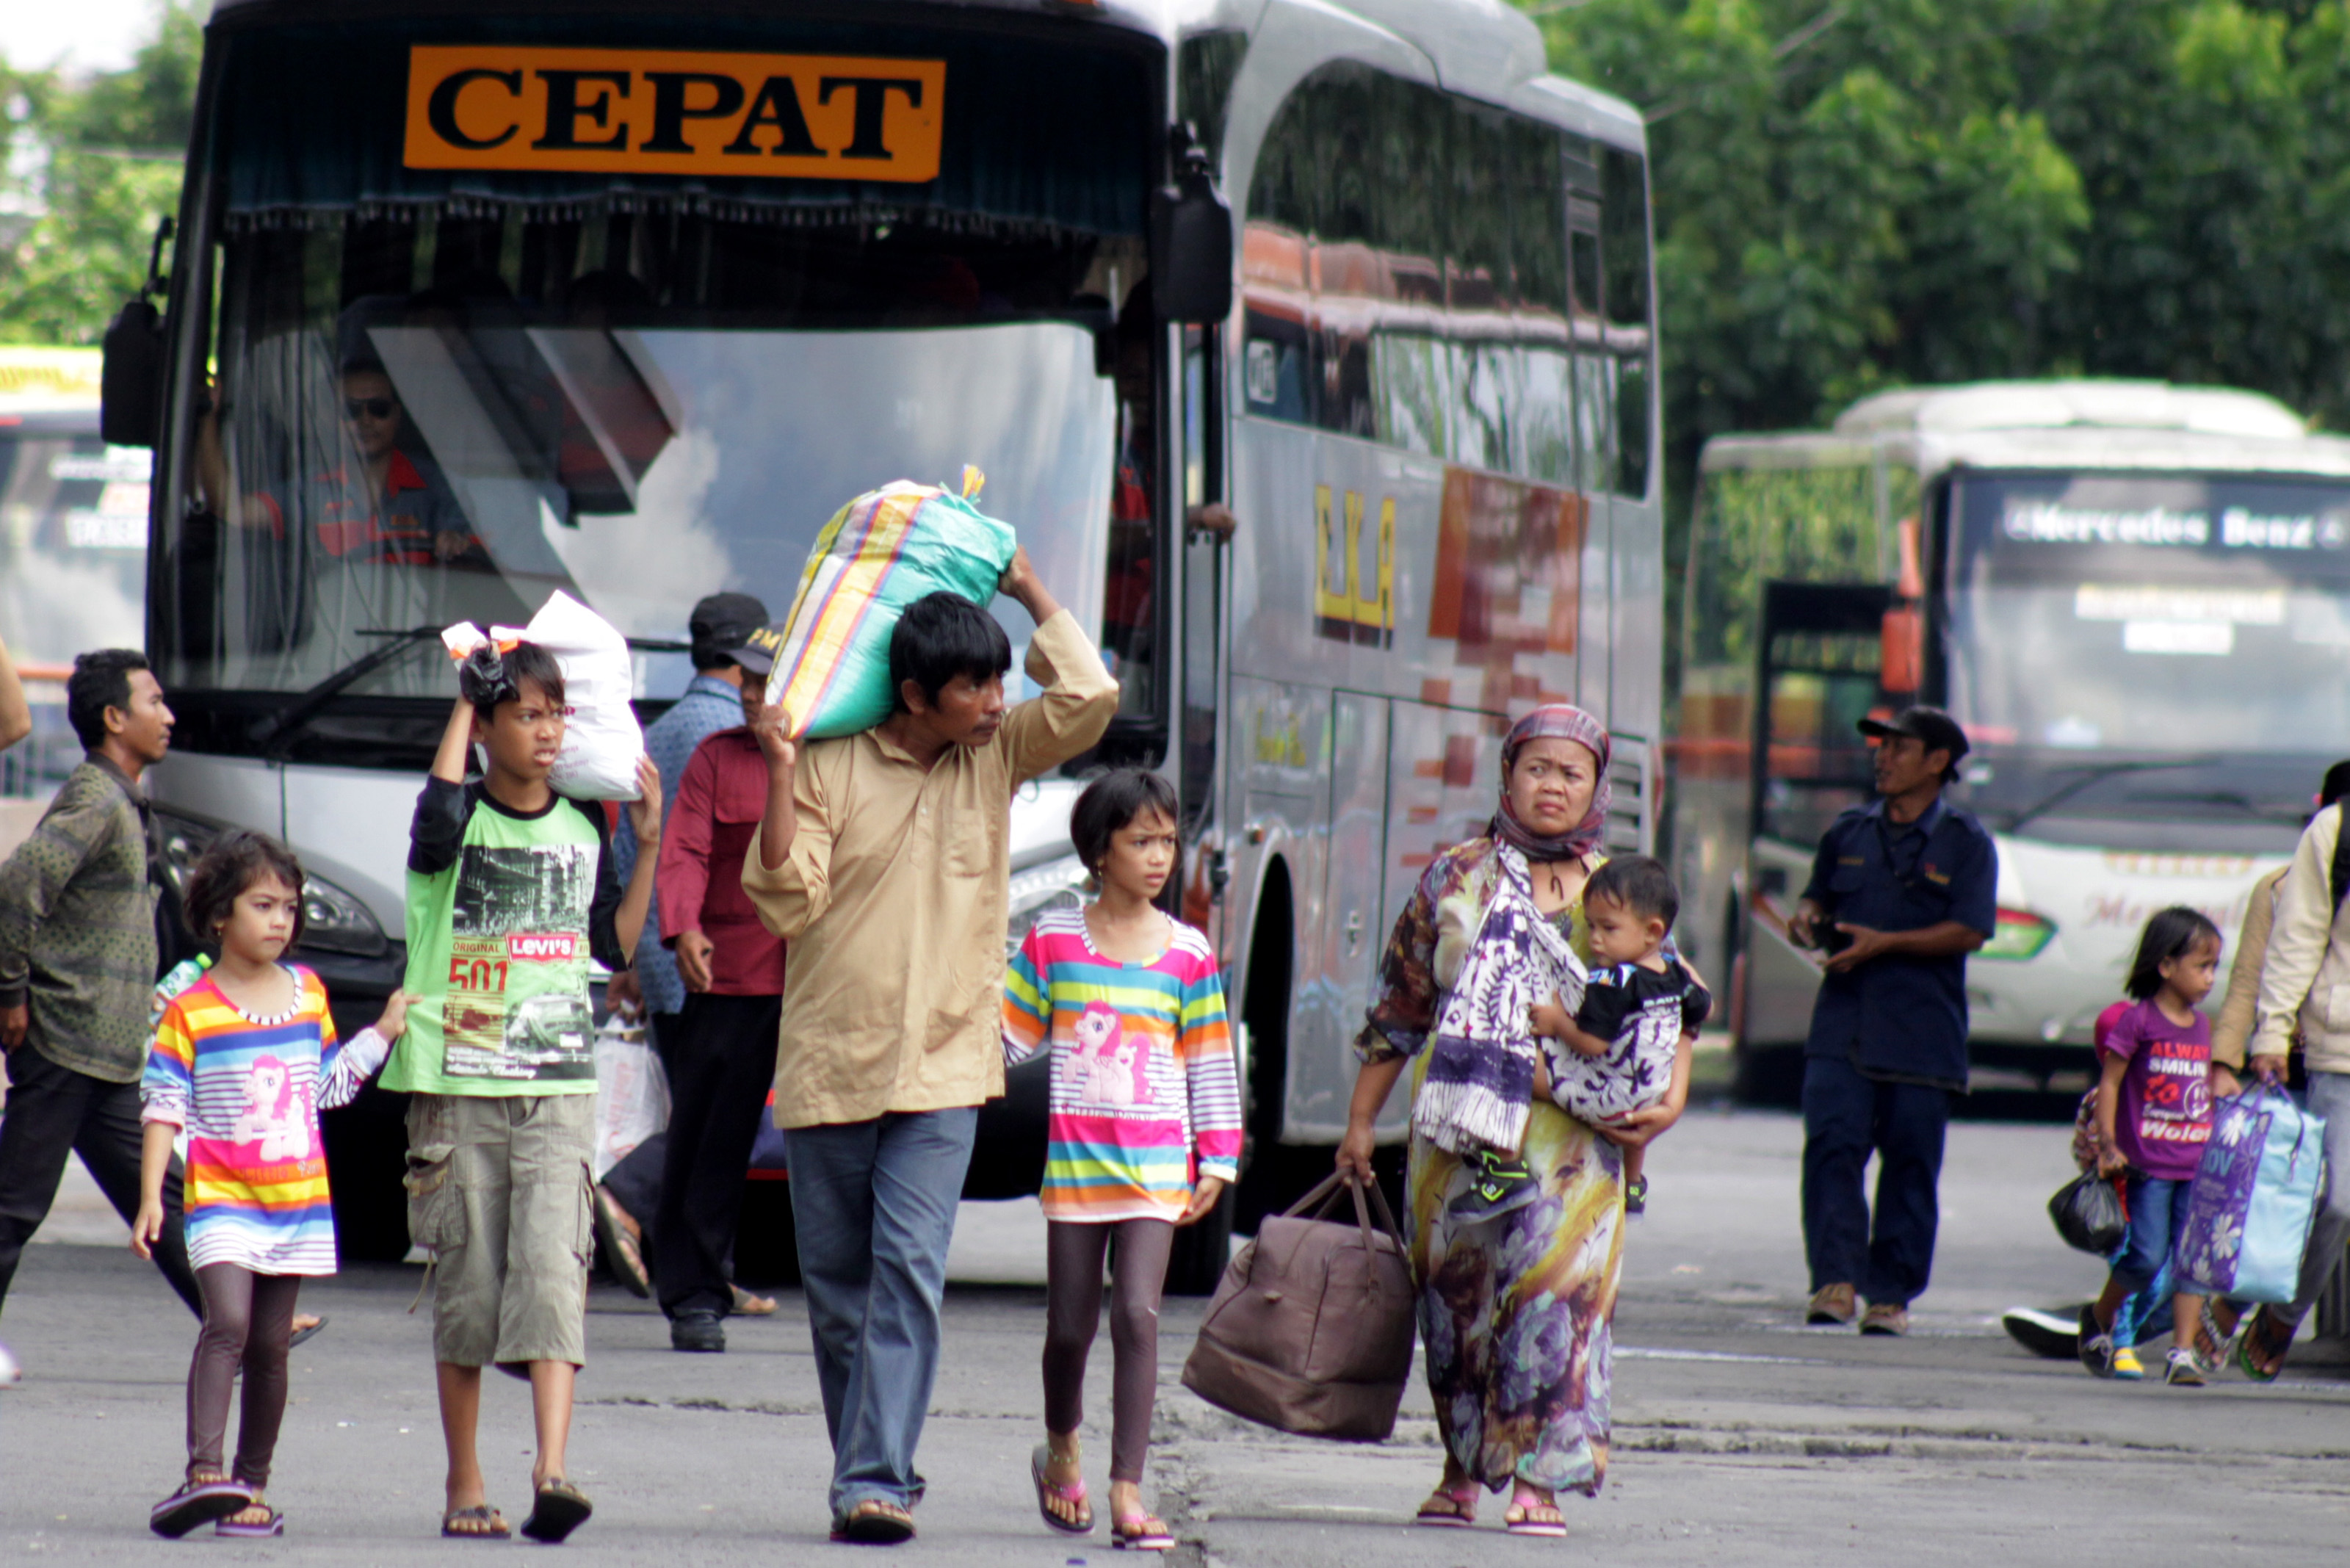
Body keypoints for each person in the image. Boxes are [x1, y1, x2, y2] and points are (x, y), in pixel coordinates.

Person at [742, 552, 1118, 1544]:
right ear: (914, 694)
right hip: (830, 1062)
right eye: (976, 685)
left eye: (1001, 681)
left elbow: (1088, 697)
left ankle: (870, 1479)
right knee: (837, 1293)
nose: (1000, 701)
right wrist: (781, 773)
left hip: (949, 1065)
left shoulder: (993, 755)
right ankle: (876, 1461)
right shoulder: (828, 763)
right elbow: (785, 894)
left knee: (908, 1265)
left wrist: (1032, 590)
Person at [1340, 704, 1692, 1538]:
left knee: (1554, 1297)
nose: (1552, 786)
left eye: (1572, 773)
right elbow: (1400, 1007)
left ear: (1595, 786)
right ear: (1506, 774)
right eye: (1537, 767)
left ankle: (1538, 1473)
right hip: (1459, 1135)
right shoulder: (1454, 876)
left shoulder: (1621, 886)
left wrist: (1667, 1103)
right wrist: (1359, 1121)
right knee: (1455, 1304)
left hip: (1573, 1139)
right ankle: (1461, 1466)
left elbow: (1678, 1008)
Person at [384, 637, 662, 1543]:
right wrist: (469, 695)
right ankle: (464, 1479)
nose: (547, 733)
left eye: (556, 715)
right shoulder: (454, 824)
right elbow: (433, 813)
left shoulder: (585, 824)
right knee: (466, 1286)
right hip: (457, 1085)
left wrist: (649, 841)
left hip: (556, 1087)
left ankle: (551, 1469)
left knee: (553, 1275)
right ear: (492, 725)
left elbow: (613, 943)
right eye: (528, 714)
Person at [133, 831, 411, 1538]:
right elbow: (163, 1103)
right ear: (220, 914)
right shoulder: (191, 1007)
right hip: (220, 1199)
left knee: (270, 1347)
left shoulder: (308, 993)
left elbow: (327, 1087)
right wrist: (146, 1198)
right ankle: (204, 1472)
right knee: (225, 1322)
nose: (281, 919)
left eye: (289, 906)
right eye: (263, 904)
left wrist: (381, 1031)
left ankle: (250, 1487)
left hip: (295, 1206)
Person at [1004, 770, 1240, 1551]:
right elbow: (1006, 1037)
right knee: (1068, 1327)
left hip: (1154, 1172)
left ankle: (1125, 1487)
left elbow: (1209, 1061)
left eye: (1167, 840)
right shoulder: (1052, 941)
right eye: (1140, 840)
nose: (1158, 856)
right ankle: (1061, 1444)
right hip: (1075, 1172)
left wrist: (1218, 1158)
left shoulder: (1188, 954)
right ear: (1098, 849)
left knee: (1136, 1312)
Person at [0, 649, 203, 1325]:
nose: (168, 716)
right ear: (116, 718)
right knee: (14, 1208)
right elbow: (17, 886)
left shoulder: (122, 797)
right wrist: (11, 992)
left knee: (168, 1196)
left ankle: (245, 1327)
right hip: (64, 1042)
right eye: (153, 702)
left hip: (106, 1052)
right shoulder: (96, 798)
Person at [1785, 706, 1996, 1337]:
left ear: (1937, 761)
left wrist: (1886, 942)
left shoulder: (1966, 842)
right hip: (1843, 1024)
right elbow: (1816, 895)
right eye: (1880, 746)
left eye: (1899, 747)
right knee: (1831, 1149)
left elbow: (1971, 928)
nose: (1882, 756)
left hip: (1922, 1035)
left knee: (1910, 1163)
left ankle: (1891, 1295)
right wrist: (1806, 916)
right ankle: (1835, 1281)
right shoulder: (1848, 831)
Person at [596, 589, 772, 1304]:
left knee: (707, 1112)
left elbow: (624, 846)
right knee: (714, 1120)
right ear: (738, 664)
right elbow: (686, 848)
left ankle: (705, 1277)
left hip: (668, 950)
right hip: (711, 956)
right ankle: (634, 1194)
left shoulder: (659, 729)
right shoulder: (721, 738)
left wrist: (637, 951)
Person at [650, 618, 789, 1353]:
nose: (753, 695)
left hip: (821, 977)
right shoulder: (713, 756)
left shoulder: (839, 758)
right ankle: (694, 1293)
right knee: (707, 1139)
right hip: (730, 973)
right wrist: (682, 928)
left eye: (767, 681)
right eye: (748, 680)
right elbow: (685, 849)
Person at [2222, 760, 2350, 1380]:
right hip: (2343, 1048)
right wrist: (2271, 1031)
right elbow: (2294, 939)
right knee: (2336, 1202)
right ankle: (2283, 1313)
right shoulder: (2335, 829)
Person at [2079, 908, 2222, 1387]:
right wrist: (2109, 1144)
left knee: (2190, 1260)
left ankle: (2181, 1353)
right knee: (2143, 1256)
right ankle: (2100, 1316)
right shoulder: (2138, 1021)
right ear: (2165, 965)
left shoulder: (2203, 1026)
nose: (2210, 978)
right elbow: (2111, 1083)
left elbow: (2200, 1090)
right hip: (2150, 1167)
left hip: (2194, 1164)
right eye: (2202, 965)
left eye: (2214, 967)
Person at [1530, 855, 1710, 1217]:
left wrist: (1557, 1023)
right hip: (1651, 1096)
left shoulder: (1613, 981)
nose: (1595, 940)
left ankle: (1502, 1163)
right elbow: (1701, 1007)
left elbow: (1592, 1043)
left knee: (1521, 1067)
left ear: (1653, 931)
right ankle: (1634, 1183)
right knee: (1634, 1109)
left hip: (1609, 1096)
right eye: (1591, 926)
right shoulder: (1675, 973)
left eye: (1608, 929)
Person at [195, 360, 484, 568]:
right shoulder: (312, 489)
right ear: (334, 419)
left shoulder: (437, 484)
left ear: (398, 416)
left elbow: (477, 554)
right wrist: (208, 416)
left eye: (379, 409)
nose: (366, 420)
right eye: (352, 410)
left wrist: (455, 541)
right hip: (330, 647)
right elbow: (229, 507)